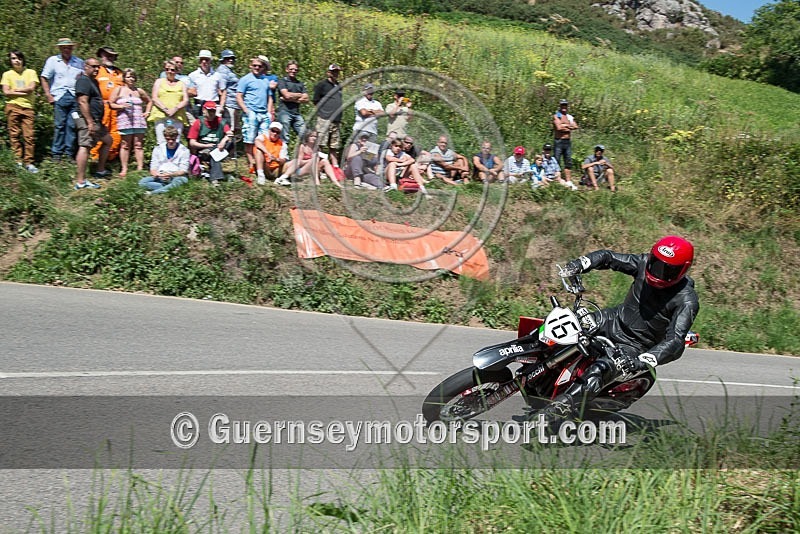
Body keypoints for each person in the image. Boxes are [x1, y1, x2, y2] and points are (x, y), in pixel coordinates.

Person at [530, 236, 699, 427]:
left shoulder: (686, 300)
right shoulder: (643, 263)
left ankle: (559, 408)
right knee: (560, 323)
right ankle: (531, 362)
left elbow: (676, 341)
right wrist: (580, 264)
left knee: (599, 370)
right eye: (656, 263)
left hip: (634, 346)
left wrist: (643, 360)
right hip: (610, 320)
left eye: (667, 269)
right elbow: (608, 257)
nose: (658, 272)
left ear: (683, 269)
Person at [40, 37, 84, 162]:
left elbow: (83, 79)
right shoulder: (53, 61)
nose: (67, 50)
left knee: (72, 125)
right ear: (60, 48)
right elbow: (44, 77)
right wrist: (48, 95)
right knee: (60, 125)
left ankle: (69, 153)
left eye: (69, 47)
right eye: (64, 47)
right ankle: (57, 154)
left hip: (74, 97)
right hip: (59, 97)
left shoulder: (79, 62)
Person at [74, 58, 112, 190]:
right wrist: (89, 122)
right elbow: (82, 102)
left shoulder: (93, 81)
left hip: (96, 120)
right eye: (93, 67)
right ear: (86, 67)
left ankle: (100, 170)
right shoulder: (83, 81)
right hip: (86, 119)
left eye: (98, 67)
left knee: (108, 140)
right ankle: (81, 181)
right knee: (85, 146)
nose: (96, 69)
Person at [237, 56, 278, 174]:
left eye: (259, 66)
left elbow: (269, 97)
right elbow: (239, 96)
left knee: (262, 139)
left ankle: (261, 162)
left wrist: (270, 112)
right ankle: (252, 162)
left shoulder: (266, 80)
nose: (257, 68)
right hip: (251, 112)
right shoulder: (245, 79)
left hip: (264, 113)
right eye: (254, 65)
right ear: (250, 66)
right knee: (249, 139)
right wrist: (246, 111)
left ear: (263, 68)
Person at [2, 50, 39, 173]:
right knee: (14, 135)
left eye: (18, 58)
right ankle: (17, 160)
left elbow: (31, 88)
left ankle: (29, 162)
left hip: (28, 107)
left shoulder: (30, 72)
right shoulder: (7, 74)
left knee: (29, 136)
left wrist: (15, 90)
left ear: (23, 59)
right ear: (10, 61)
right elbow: (6, 92)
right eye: (13, 58)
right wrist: (24, 90)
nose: (16, 60)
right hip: (13, 106)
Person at [109, 68, 150, 176]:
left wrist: (147, 111)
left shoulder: (139, 91)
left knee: (138, 144)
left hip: (138, 120)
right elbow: (111, 103)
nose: (130, 79)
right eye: (128, 77)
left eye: (132, 76)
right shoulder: (119, 89)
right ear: (124, 78)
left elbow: (149, 101)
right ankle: (124, 169)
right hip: (125, 119)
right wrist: (121, 106)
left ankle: (140, 168)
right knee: (125, 145)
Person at [90, 46, 124, 163]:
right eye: (106, 54)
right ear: (101, 56)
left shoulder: (119, 73)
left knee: (116, 132)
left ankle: (110, 157)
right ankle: (95, 157)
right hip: (101, 106)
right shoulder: (97, 71)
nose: (109, 57)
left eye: (111, 55)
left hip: (116, 108)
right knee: (100, 131)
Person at [187, 101, 233, 186]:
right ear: (204, 110)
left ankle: (214, 177)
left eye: (213, 111)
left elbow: (230, 134)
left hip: (219, 147)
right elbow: (192, 142)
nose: (211, 113)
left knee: (230, 142)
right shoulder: (198, 123)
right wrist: (205, 146)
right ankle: (215, 179)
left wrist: (223, 141)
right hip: (203, 148)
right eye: (209, 111)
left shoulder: (220, 121)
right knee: (214, 154)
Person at [276, 130, 342, 188]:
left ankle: (335, 181)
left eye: (315, 136)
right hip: (301, 170)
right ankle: (316, 182)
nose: (314, 138)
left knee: (325, 161)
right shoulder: (303, 147)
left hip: (313, 168)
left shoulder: (316, 148)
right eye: (312, 136)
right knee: (315, 159)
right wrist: (310, 161)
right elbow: (299, 162)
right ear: (307, 137)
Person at [147, 60, 189, 145]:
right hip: (160, 115)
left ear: (176, 71)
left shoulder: (182, 84)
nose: (169, 72)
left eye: (172, 70)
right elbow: (154, 98)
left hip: (177, 115)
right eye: (167, 69)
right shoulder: (159, 81)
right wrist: (166, 110)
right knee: (161, 141)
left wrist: (175, 109)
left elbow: (186, 100)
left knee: (175, 141)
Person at [139, 125, 190, 194]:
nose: (170, 141)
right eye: (168, 139)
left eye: (173, 139)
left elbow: (183, 170)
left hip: (175, 176)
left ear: (176, 137)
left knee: (182, 180)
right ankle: (168, 188)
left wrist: (170, 174)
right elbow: (153, 168)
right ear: (165, 138)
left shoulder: (184, 150)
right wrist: (159, 175)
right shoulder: (158, 149)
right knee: (142, 182)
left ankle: (153, 193)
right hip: (160, 176)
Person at [312, 63, 343, 167]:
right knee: (321, 143)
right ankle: (318, 167)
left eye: (337, 72)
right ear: (328, 72)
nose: (335, 74)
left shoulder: (338, 86)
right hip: (324, 119)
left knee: (334, 145)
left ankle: (335, 167)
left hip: (336, 120)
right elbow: (316, 101)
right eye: (333, 71)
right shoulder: (322, 85)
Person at [277, 60, 309, 143]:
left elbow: (306, 99)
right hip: (284, 111)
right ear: (287, 69)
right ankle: (284, 155)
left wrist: (291, 98)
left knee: (305, 135)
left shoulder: (300, 83)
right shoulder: (282, 81)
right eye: (291, 69)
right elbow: (286, 95)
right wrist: (299, 95)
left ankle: (303, 154)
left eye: (295, 70)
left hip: (296, 113)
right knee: (284, 136)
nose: (293, 71)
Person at [188, 49, 226, 118]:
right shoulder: (193, 75)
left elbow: (223, 91)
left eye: (206, 59)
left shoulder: (217, 75)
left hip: (214, 106)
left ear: (210, 61)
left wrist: (221, 106)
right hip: (199, 106)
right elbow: (188, 92)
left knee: (215, 127)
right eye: (201, 59)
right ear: (199, 61)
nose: (204, 62)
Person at [216, 49, 241, 144]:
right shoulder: (222, 70)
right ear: (223, 59)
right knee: (230, 129)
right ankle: (228, 151)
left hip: (234, 104)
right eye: (228, 58)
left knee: (234, 128)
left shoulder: (229, 70)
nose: (230, 60)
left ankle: (231, 150)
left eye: (232, 58)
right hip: (228, 104)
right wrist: (222, 104)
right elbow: (221, 89)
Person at [552, 98, 578, 184]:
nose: (564, 107)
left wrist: (564, 125)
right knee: (557, 160)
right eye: (562, 105)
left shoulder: (569, 117)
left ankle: (568, 180)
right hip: (559, 141)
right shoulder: (556, 116)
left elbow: (575, 126)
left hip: (567, 141)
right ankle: (556, 179)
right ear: (560, 106)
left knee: (568, 160)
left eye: (565, 105)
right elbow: (559, 128)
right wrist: (568, 126)